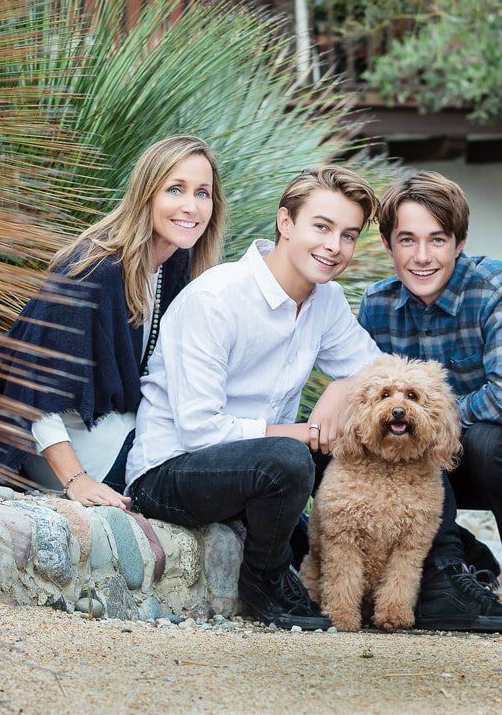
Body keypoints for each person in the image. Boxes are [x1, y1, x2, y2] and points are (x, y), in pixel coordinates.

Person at [125, 166, 382, 630]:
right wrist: (305, 433)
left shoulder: (326, 301)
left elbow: (377, 373)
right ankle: (265, 578)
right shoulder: (216, 298)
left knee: (383, 435)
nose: (334, 246)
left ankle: (431, 568)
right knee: (290, 458)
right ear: (286, 222)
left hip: (256, 474)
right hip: (169, 473)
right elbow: (199, 430)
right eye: (322, 227)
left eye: (348, 235)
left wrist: (342, 388)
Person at [357, 172, 502, 631]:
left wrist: (426, 419)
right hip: (441, 455)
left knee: (486, 441)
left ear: (459, 242)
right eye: (407, 240)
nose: (422, 257)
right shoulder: (377, 304)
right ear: (388, 244)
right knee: (356, 449)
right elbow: (367, 407)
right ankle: (452, 570)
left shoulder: (496, 289)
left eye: (437, 240)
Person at [0, 135, 225, 509]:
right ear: (147, 194)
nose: (191, 207)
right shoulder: (95, 271)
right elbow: (30, 386)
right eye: (175, 189)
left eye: (202, 193)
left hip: (128, 431)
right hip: (63, 448)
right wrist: (76, 480)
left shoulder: (177, 267)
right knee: (217, 478)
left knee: (225, 467)